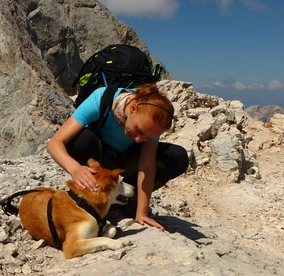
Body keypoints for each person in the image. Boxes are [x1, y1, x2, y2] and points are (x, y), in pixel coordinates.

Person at [47, 83, 189, 230]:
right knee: (81, 140)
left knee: (178, 157)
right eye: (138, 130)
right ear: (133, 108)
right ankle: (93, 193)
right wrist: (76, 169)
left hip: (125, 162)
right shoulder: (102, 99)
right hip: (99, 163)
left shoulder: (151, 122)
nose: (139, 139)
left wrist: (142, 212)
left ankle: (129, 199)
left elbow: (146, 166)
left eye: (147, 137)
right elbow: (55, 143)